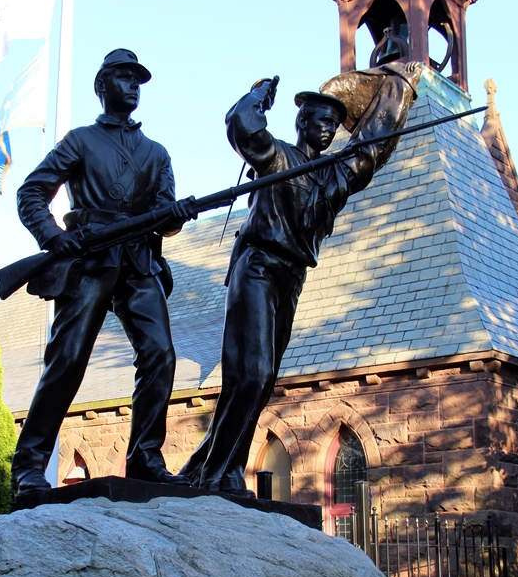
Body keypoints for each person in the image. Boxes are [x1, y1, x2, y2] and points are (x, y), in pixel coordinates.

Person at [180, 62, 421, 495]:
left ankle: (208, 467)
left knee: (262, 380)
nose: (328, 129)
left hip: (290, 279)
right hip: (257, 268)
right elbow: (241, 125)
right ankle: (220, 472)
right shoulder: (277, 158)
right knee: (252, 373)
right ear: (302, 122)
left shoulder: (333, 174)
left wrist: (398, 90)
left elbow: (371, 148)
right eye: (321, 120)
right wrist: (260, 95)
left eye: (334, 124)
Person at [11, 48, 197, 493]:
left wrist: (175, 215)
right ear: (102, 86)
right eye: (124, 77)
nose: (133, 86)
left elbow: (165, 219)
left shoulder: (156, 153)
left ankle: (145, 458)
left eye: (137, 80)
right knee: (68, 357)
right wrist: (53, 237)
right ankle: (29, 464)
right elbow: (31, 193)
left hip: (139, 261)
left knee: (160, 354)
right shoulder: (80, 140)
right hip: (91, 257)